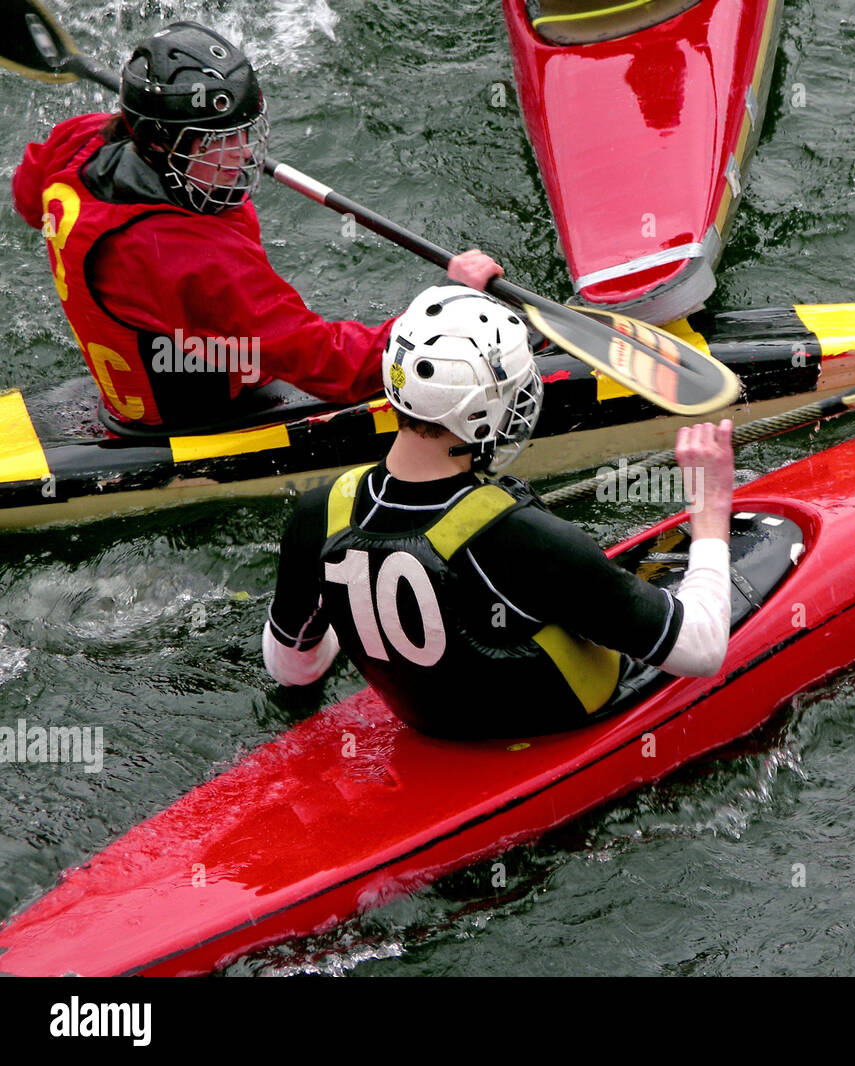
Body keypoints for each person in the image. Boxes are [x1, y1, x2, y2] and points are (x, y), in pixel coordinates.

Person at [263, 283, 736, 737]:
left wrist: (356, 610)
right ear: (479, 412)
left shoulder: (320, 512)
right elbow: (702, 650)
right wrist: (709, 506)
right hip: (567, 726)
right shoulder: (525, 537)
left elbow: (291, 669)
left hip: (429, 727)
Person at [11, 20, 497, 429]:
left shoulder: (81, 140)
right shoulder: (192, 261)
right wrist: (451, 313)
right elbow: (333, 365)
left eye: (244, 131)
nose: (244, 153)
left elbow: (29, 200)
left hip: (145, 373)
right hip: (199, 418)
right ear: (162, 145)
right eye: (217, 141)